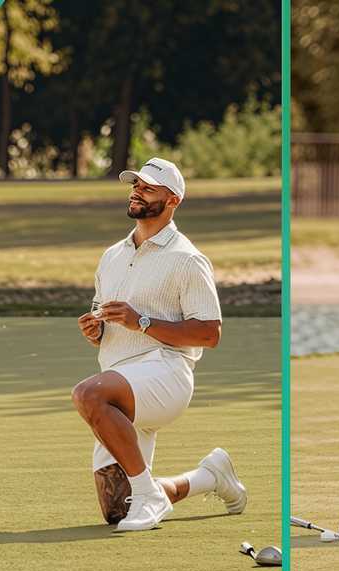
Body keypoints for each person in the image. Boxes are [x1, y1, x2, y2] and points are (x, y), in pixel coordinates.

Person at [72, 157, 247, 532]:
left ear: (173, 201)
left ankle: (149, 495)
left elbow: (209, 333)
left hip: (166, 374)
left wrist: (142, 321)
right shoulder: (111, 256)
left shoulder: (187, 259)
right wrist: (96, 332)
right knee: (118, 508)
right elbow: (103, 316)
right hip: (121, 382)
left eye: (148, 187)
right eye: (135, 184)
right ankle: (209, 477)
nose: (137, 191)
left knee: (88, 395)